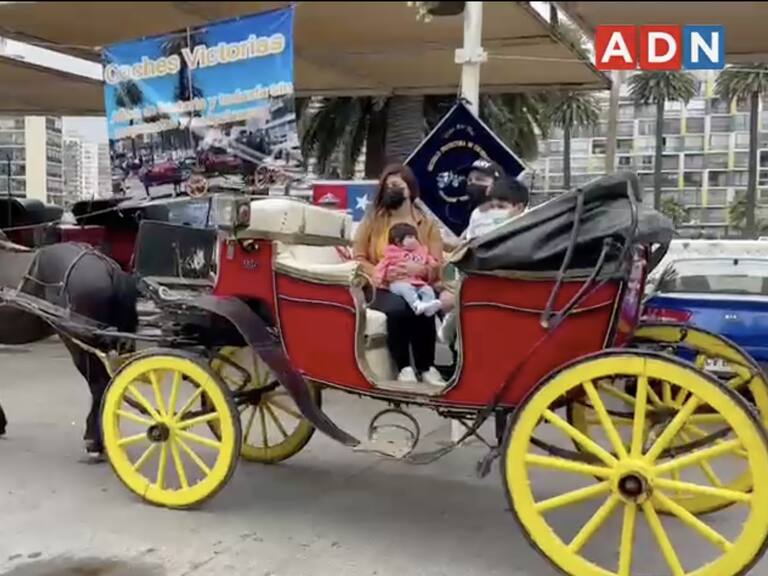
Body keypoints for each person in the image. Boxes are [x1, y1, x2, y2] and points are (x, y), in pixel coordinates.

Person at [353, 164, 446, 386]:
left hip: (418, 283)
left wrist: (421, 270)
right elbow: (358, 257)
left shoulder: (427, 224)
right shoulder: (373, 220)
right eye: (387, 186)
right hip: (382, 287)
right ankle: (404, 367)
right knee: (398, 307)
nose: (390, 189)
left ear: (410, 189)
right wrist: (378, 272)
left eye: (396, 185)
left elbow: (438, 263)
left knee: (425, 302)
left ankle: (427, 367)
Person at [439, 175, 530, 345]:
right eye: (492, 206)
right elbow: (468, 248)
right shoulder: (480, 218)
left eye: (501, 207)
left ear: (519, 207)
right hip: (477, 281)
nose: (495, 212)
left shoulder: (531, 227)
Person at [374, 222, 443, 317]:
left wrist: (432, 265)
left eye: (415, 237)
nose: (415, 240)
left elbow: (430, 259)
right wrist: (379, 279)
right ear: (398, 241)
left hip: (417, 282)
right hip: (399, 283)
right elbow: (381, 266)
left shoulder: (420, 252)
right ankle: (416, 305)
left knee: (427, 289)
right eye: (410, 237)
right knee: (406, 289)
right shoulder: (393, 254)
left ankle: (428, 306)